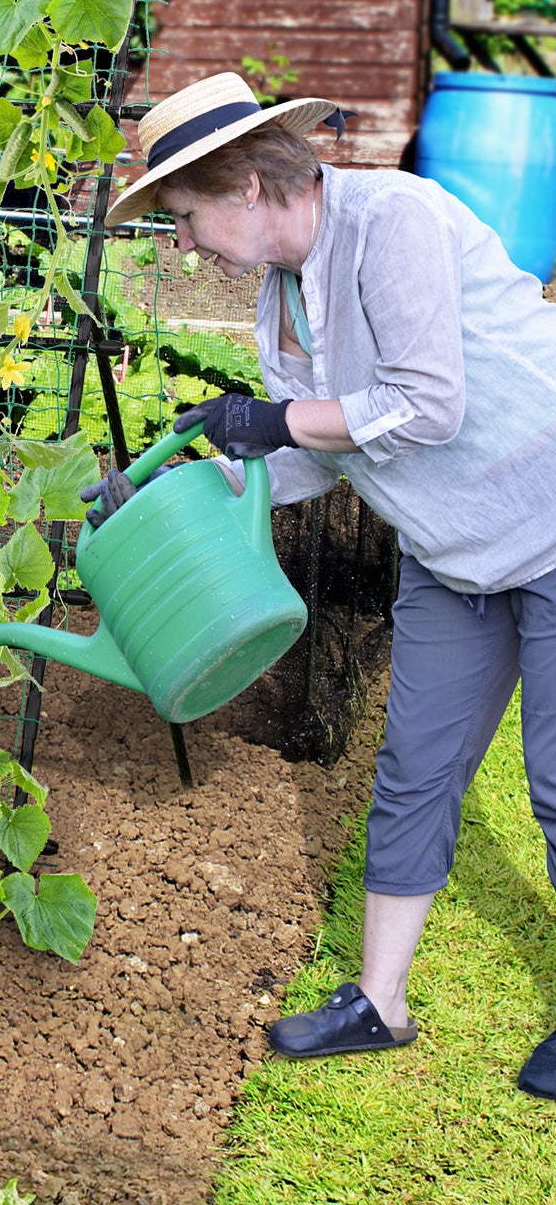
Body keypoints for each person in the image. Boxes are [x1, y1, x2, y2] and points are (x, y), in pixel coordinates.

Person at [92, 71, 556, 1097]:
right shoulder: (279, 301)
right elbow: (309, 456)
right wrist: (173, 491)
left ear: (249, 185)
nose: (186, 246)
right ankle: (379, 1003)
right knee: (415, 770)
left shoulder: (392, 220)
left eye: (186, 216)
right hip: (453, 552)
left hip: (547, 512)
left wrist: (271, 421)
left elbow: (425, 404)